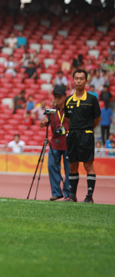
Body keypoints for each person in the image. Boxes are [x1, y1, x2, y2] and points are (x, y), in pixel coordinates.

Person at [64, 69, 102, 203]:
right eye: (76, 78)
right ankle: (72, 196)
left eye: (81, 78)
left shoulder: (92, 99)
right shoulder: (68, 100)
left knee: (88, 165)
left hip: (86, 135)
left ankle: (89, 196)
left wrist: (86, 130)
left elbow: (97, 119)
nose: (79, 81)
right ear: (73, 80)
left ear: (86, 81)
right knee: (72, 166)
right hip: (72, 135)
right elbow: (68, 120)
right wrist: (76, 130)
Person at [39, 86, 70, 201]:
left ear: (64, 97)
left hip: (68, 143)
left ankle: (68, 194)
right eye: (55, 96)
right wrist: (43, 122)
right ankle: (57, 192)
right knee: (51, 166)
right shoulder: (52, 110)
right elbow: (41, 125)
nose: (57, 99)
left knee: (69, 170)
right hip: (55, 143)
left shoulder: (69, 109)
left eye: (59, 97)